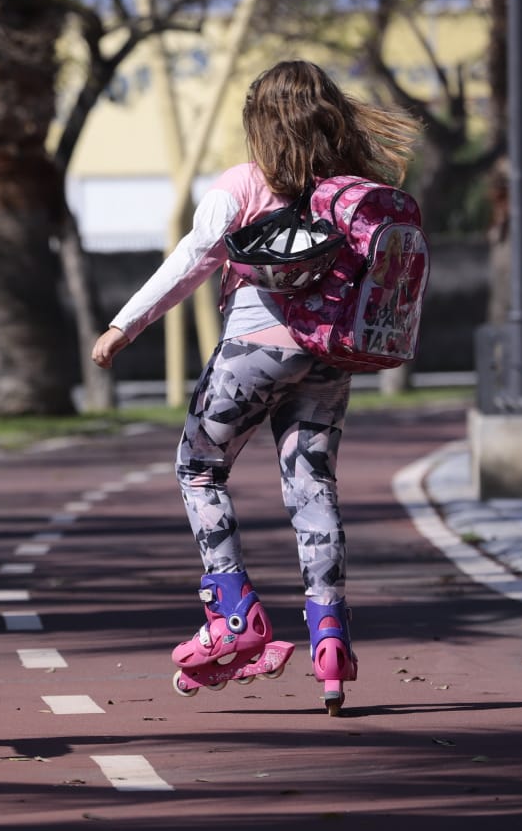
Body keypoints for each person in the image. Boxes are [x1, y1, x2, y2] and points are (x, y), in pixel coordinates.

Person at [91, 59, 419, 714]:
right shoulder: (350, 194)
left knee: (199, 467)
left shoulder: (244, 184)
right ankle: (331, 639)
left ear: (261, 125)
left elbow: (192, 257)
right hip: (328, 357)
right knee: (313, 487)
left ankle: (233, 613)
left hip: (253, 353)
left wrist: (124, 326)